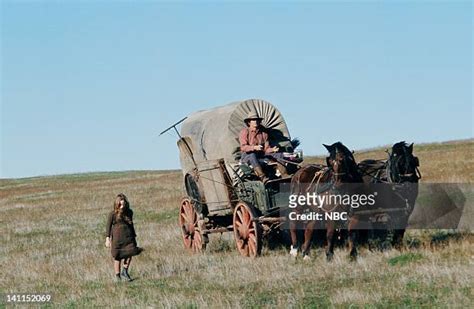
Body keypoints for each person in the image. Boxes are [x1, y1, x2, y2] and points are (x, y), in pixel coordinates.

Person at [239, 112, 288, 182]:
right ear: (249, 122)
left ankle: (284, 174)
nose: (255, 122)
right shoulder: (244, 132)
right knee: (252, 155)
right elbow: (243, 147)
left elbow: (266, 149)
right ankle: (262, 177)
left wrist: (272, 149)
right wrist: (254, 147)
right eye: (253, 120)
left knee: (279, 154)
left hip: (261, 156)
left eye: (257, 120)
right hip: (247, 156)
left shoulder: (264, 133)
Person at [105, 193, 143, 282]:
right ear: (117, 204)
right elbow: (108, 226)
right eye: (120, 204)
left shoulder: (129, 212)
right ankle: (118, 276)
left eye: (123, 204)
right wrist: (107, 239)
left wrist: (134, 235)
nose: (122, 206)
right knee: (117, 256)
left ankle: (125, 271)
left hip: (128, 237)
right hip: (117, 239)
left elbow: (131, 224)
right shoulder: (112, 214)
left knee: (131, 252)